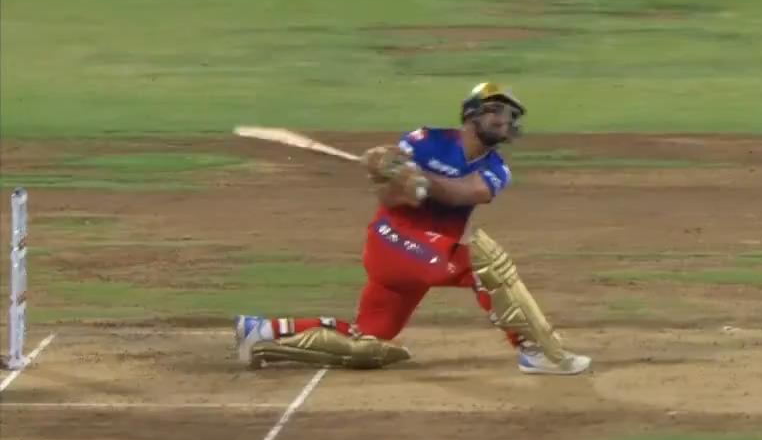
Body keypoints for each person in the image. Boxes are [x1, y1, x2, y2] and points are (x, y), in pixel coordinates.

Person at [233, 82, 592, 376]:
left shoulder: (497, 169)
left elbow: (462, 193)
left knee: (367, 343)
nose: (505, 119)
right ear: (472, 113)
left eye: (511, 115)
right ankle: (538, 352)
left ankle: (263, 334)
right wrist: (387, 173)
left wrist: (421, 180)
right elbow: (388, 199)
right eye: (496, 110)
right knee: (482, 261)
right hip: (393, 242)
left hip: (423, 255)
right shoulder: (425, 141)